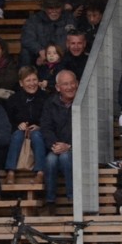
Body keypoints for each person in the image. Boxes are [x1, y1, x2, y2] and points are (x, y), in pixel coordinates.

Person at [40, 70, 78, 215]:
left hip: (76, 147)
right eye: (65, 84)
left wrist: (69, 145)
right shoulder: (50, 103)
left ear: (77, 83)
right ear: (57, 87)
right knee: (50, 160)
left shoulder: (83, 102)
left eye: (72, 83)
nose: (69, 87)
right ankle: (50, 202)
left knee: (65, 157)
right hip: (56, 146)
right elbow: (46, 127)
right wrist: (54, 145)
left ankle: (73, 198)